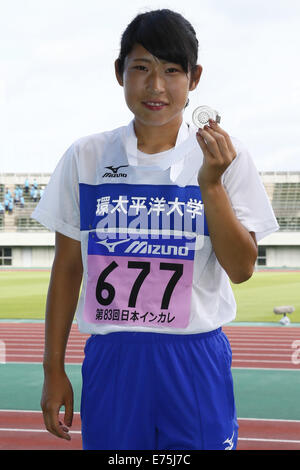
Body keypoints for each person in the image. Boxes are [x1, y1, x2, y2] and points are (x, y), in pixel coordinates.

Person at [32, 9, 279, 450]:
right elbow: (68, 267)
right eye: (141, 68)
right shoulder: (86, 156)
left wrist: (210, 184)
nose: (156, 86)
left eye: (171, 70)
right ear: (119, 73)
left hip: (194, 357)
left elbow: (241, 268)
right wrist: (53, 368)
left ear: (194, 77)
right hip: (114, 357)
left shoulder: (227, 156)